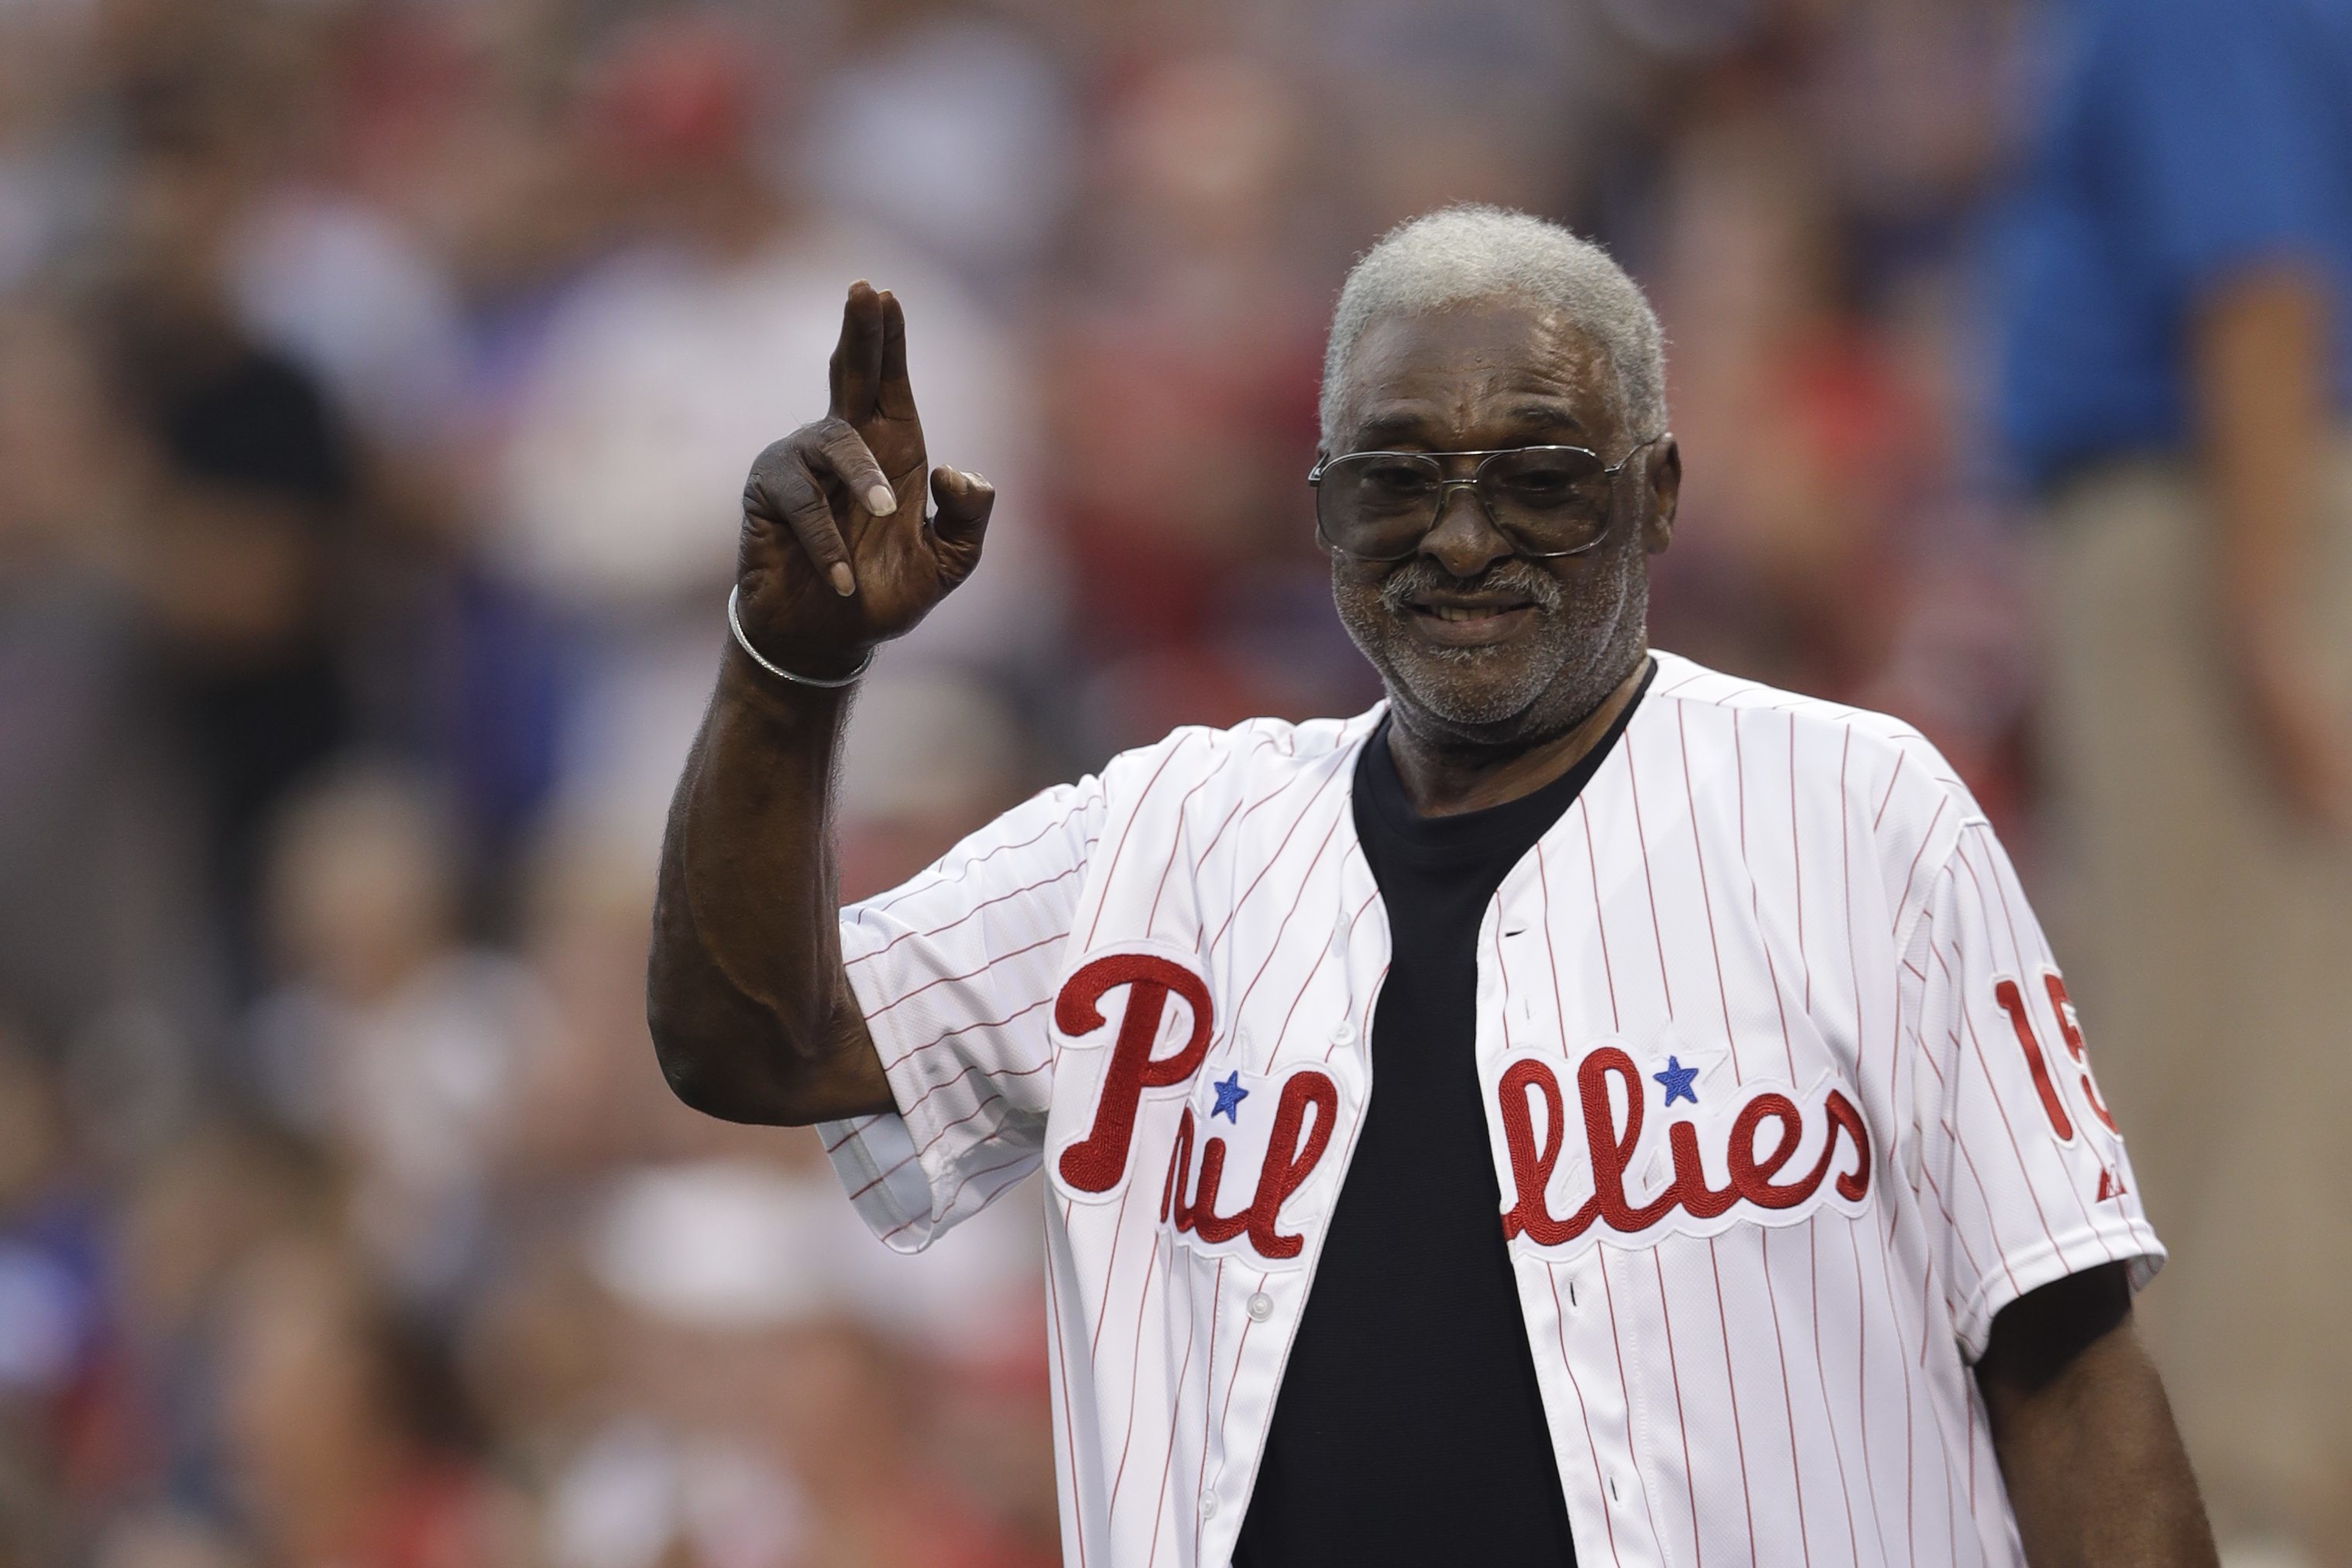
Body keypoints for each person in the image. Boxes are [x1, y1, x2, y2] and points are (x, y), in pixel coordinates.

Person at [649, 206, 2215, 1565]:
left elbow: (2069, 1368)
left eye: (1536, 475)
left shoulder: (1861, 813)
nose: (1460, 537)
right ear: (1323, 510)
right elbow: (756, 1042)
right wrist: (789, 667)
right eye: (1397, 479)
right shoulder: (1156, 837)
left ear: (1655, 495)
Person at [1993, 1, 2352, 1556]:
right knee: (2210, 1011)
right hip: (2204, 508)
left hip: (2217, 507)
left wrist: (2260, 603)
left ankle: (2239, 1496)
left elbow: (2257, 279)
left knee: (2226, 1035)